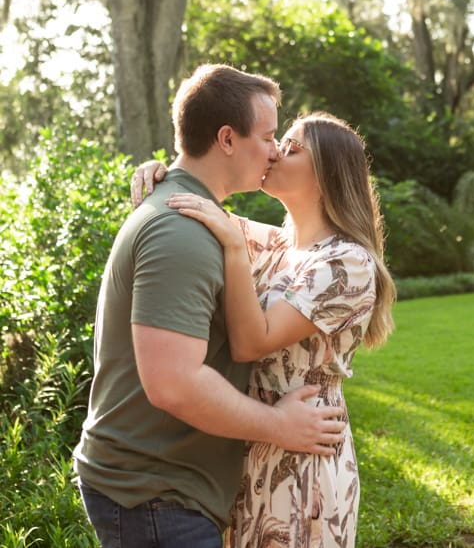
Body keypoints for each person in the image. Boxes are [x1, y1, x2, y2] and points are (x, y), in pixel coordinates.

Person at [74, 65, 348, 547]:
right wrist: (279, 425)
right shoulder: (182, 232)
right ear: (226, 138)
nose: (274, 150)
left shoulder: (205, 221)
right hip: (155, 495)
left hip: (166, 491)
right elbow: (174, 384)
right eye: (266, 136)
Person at [134, 111, 396, 548]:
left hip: (304, 462)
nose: (274, 151)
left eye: (292, 147)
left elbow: (251, 342)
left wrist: (234, 248)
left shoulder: (347, 263)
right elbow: (197, 204)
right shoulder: (277, 244)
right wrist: (164, 175)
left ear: (327, 173)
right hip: (257, 446)